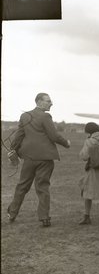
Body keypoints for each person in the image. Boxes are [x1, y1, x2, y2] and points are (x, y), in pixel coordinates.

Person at [7, 93, 71, 227]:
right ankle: (44, 218)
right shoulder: (45, 116)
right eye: (48, 101)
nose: (51, 103)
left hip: (29, 158)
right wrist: (66, 143)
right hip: (45, 158)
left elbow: (19, 135)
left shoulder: (25, 116)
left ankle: (12, 214)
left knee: (22, 186)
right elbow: (54, 136)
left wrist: (12, 149)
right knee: (42, 187)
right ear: (39, 101)